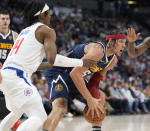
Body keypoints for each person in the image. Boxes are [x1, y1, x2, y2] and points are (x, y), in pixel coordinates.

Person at [0, 1, 95, 131]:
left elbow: (38, 64)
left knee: (16, 112)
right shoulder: (46, 30)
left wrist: (61, 60)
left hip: (6, 76)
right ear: (42, 15)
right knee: (40, 116)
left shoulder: (24, 31)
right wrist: (81, 62)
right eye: (48, 13)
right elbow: (54, 59)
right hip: (17, 77)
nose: (50, 17)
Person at [43, 30, 127, 131]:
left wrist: (94, 100)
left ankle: (96, 129)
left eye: (125, 43)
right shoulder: (98, 50)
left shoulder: (113, 61)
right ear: (110, 42)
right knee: (61, 107)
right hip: (59, 70)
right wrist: (89, 99)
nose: (124, 46)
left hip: (75, 75)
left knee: (100, 97)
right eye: (121, 42)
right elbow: (74, 73)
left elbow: (94, 81)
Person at [0, 8, 21, 131]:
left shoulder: (15, 36)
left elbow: (20, 55)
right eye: (2, 18)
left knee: (13, 106)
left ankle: (16, 128)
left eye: (7, 18)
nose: (5, 21)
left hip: (10, 75)